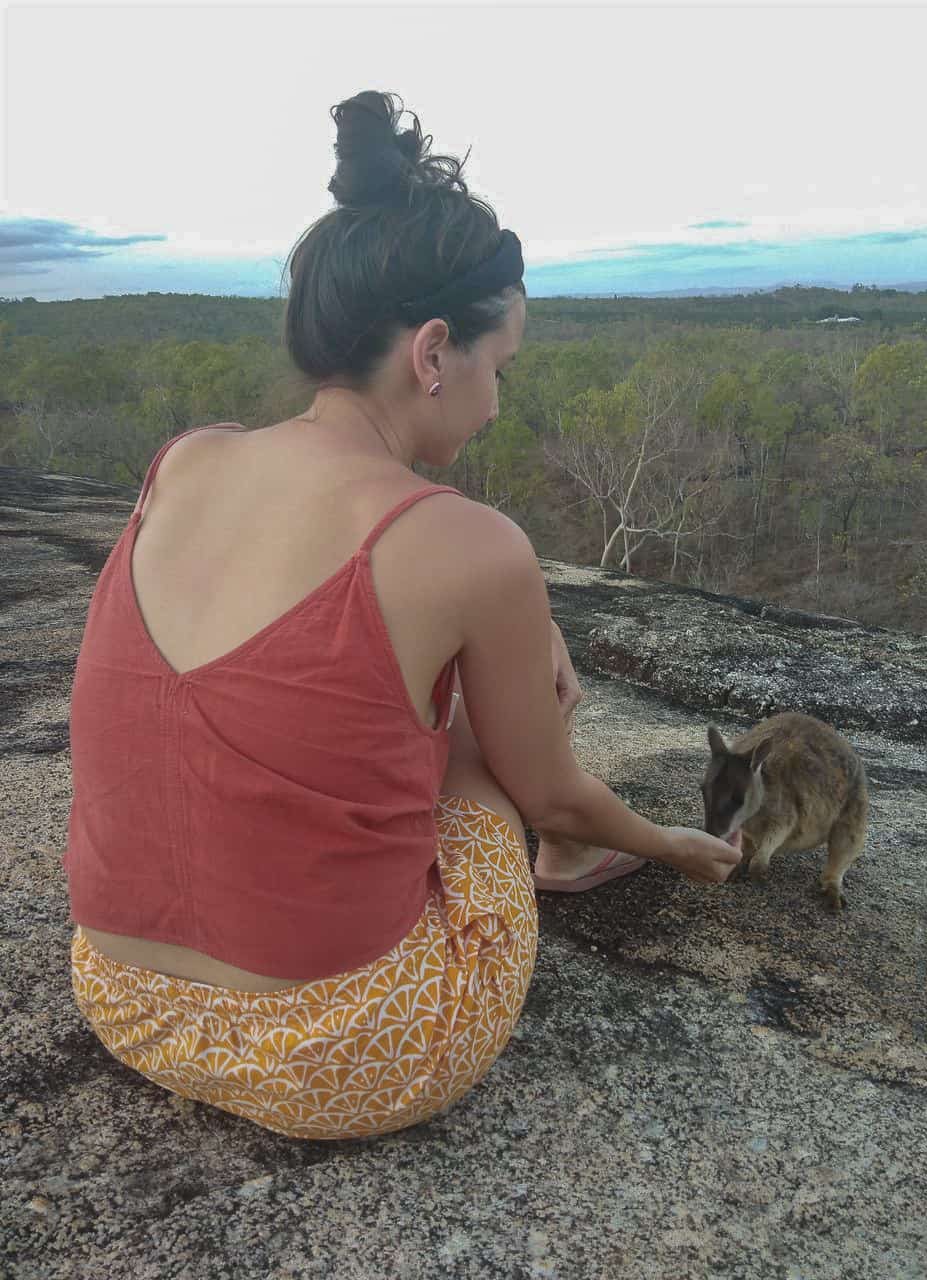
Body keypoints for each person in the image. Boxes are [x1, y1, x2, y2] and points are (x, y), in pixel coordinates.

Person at [63, 90, 740, 1141]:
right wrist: (671, 846)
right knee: (481, 733)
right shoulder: (463, 541)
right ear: (433, 352)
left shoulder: (187, 461)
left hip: (124, 999)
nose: (498, 401)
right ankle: (561, 876)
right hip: (346, 1055)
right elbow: (551, 794)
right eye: (497, 365)